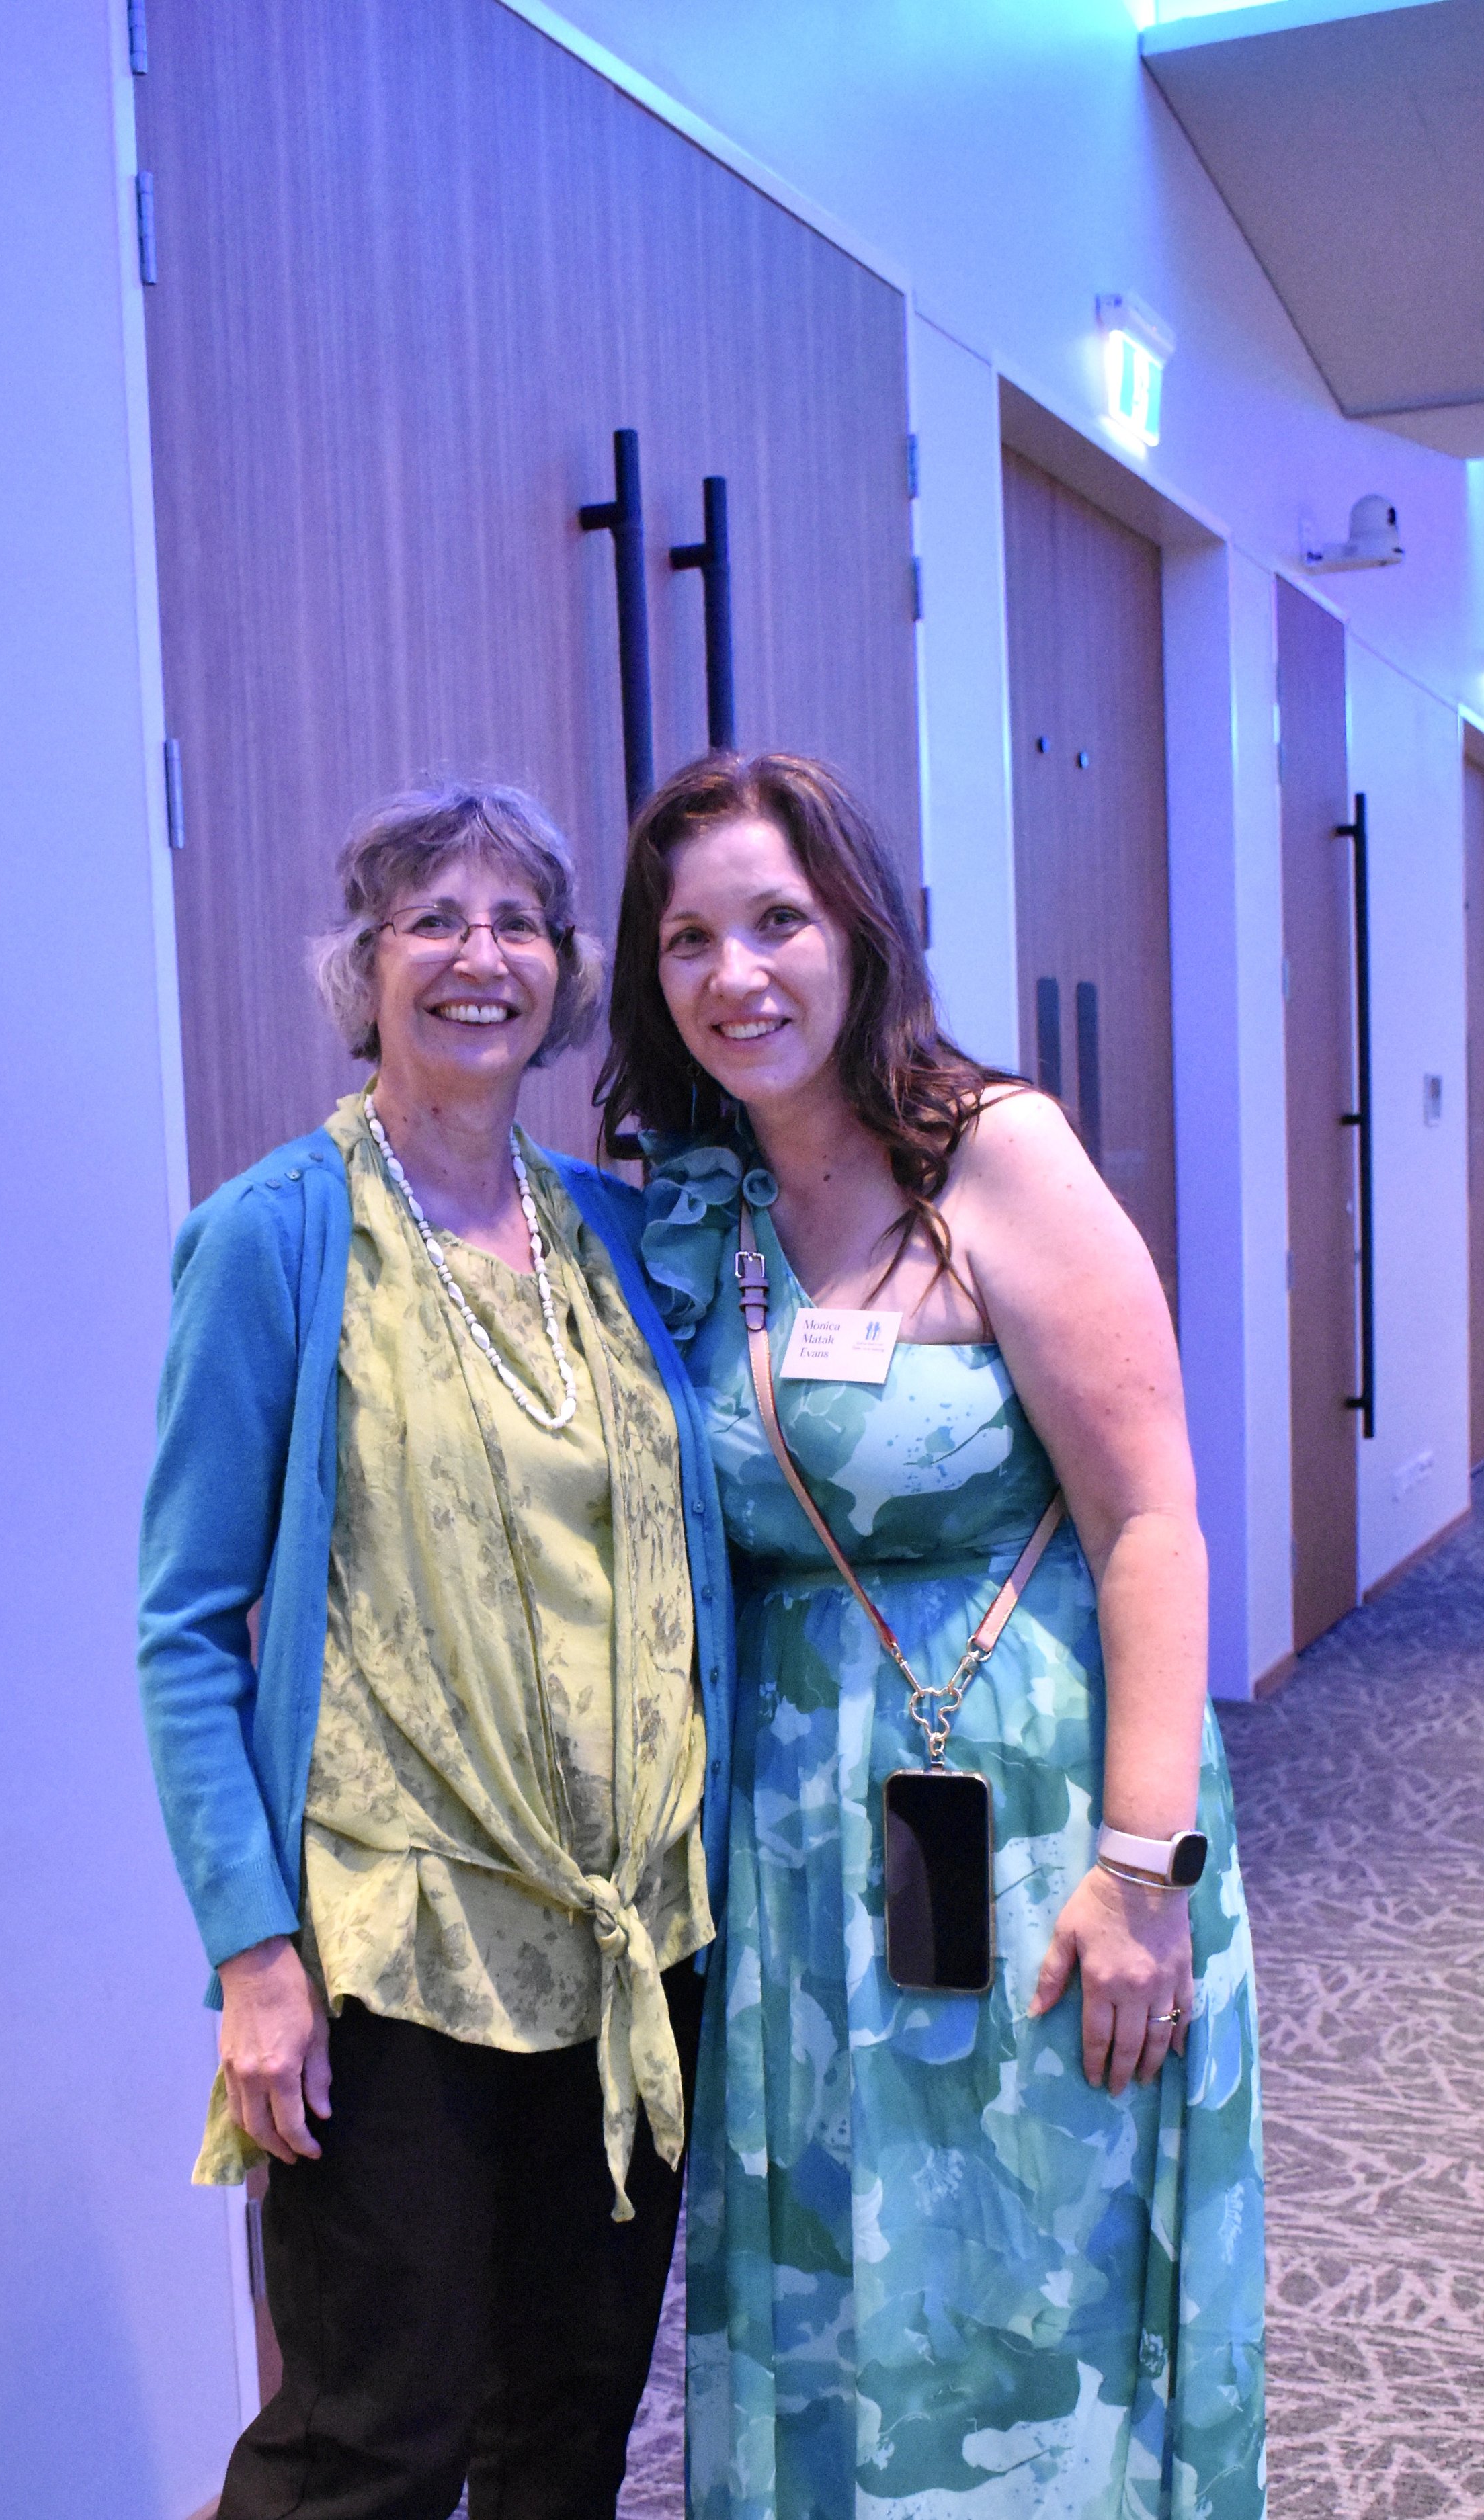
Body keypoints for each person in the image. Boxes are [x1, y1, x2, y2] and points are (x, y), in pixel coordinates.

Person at [599, 753, 1264, 2519]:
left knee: (1028, 2273)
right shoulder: (700, 1208)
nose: (733, 974)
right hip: (807, 1857)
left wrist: (1139, 1875)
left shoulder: (993, 1152)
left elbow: (1148, 1521)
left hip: (1038, 1806)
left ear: (861, 932)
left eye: (775, 920)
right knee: (845, 2291)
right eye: (685, 940)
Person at [138, 782, 735, 2520]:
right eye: (433, 922)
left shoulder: (618, 1237)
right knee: (366, 2443)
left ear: (561, 970)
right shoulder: (271, 1237)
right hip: (391, 1949)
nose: (480, 958)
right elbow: (184, 1625)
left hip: (629, 1941)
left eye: (517, 925)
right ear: (365, 969)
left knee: (565, 2424)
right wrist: (254, 1958)